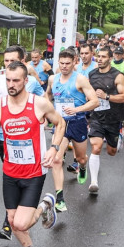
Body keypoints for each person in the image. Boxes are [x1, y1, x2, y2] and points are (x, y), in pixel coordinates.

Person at [0, 61, 63, 247]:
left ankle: (45, 204)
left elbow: (60, 123)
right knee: (13, 221)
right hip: (10, 172)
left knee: (21, 223)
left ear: (26, 81)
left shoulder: (39, 104)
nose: (11, 84)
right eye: (8, 80)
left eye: (16, 80)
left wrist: (53, 148)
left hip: (34, 172)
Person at [0, 45, 46, 240]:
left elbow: (44, 102)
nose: (8, 64)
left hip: (27, 140)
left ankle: (11, 222)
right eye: (6, 61)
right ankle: (13, 217)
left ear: (22, 61)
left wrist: (43, 119)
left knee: (23, 179)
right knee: (13, 176)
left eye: (12, 61)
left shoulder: (31, 82)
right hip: (2, 139)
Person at [44, 48, 98, 211]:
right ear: (58, 63)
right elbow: (47, 95)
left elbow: (94, 101)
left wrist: (77, 109)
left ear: (75, 62)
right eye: (61, 63)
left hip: (77, 122)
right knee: (56, 159)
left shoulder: (80, 79)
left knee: (81, 158)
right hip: (60, 124)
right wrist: (48, 111)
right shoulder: (53, 79)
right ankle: (60, 198)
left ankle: (82, 167)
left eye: (68, 63)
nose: (65, 66)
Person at [86, 47, 124, 195]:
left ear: (110, 59)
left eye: (103, 57)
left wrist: (107, 97)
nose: (100, 59)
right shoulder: (91, 75)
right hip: (96, 117)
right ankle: (93, 182)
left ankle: (118, 139)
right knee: (96, 147)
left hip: (113, 119)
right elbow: (86, 93)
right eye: (98, 56)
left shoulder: (118, 76)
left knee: (111, 152)